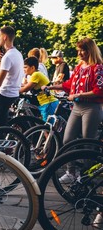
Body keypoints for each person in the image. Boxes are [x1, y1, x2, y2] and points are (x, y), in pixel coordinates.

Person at [42, 37, 103, 182]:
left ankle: (87, 176)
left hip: (91, 108)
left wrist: (78, 94)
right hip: (76, 108)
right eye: (79, 50)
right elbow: (68, 84)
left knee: (88, 142)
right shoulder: (78, 67)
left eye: (83, 50)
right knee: (68, 139)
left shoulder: (98, 68)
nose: (80, 53)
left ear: (91, 50)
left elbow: (99, 90)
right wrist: (50, 86)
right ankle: (71, 171)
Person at [20, 56, 58, 121]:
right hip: (45, 103)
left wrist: (13, 91)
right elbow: (26, 85)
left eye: (25, 67)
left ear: (32, 67)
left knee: (46, 127)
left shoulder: (36, 75)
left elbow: (26, 88)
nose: (24, 69)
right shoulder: (36, 74)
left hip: (48, 103)